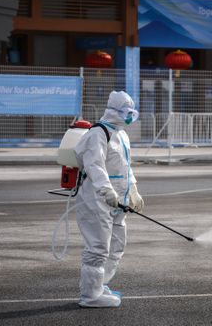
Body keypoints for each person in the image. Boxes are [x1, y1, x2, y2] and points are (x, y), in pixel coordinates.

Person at [73, 90, 144, 308]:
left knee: (116, 245)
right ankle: (90, 296)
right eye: (126, 112)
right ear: (114, 111)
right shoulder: (98, 133)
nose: (130, 116)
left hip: (118, 201)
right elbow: (95, 165)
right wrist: (107, 191)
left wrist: (133, 189)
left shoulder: (121, 134)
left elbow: (124, 166)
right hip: (97, 199)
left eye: (132, 112)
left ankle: (100, 284)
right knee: (98, 247)